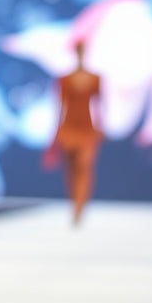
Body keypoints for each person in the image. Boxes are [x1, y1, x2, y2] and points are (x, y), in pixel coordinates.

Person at [49, 40, 103, 225]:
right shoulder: (65, 79)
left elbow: (100, 106)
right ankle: (75, 204)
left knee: (84, 167)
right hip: (69, 128)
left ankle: (80, 206)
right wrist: (57, 132)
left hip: (87, 129)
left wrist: (100, 128)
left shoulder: (95, 78)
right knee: (72, 170)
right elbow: (60, 106)